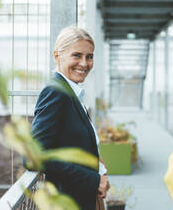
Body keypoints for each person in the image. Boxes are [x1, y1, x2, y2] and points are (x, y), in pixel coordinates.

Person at [30, 26, 110, 210]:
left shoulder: (71, 93)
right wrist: (93, 180)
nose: (84, 63)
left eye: (89, 56)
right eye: (77, 55)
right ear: (57, 56)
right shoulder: (55, 92)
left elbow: (69, 141)